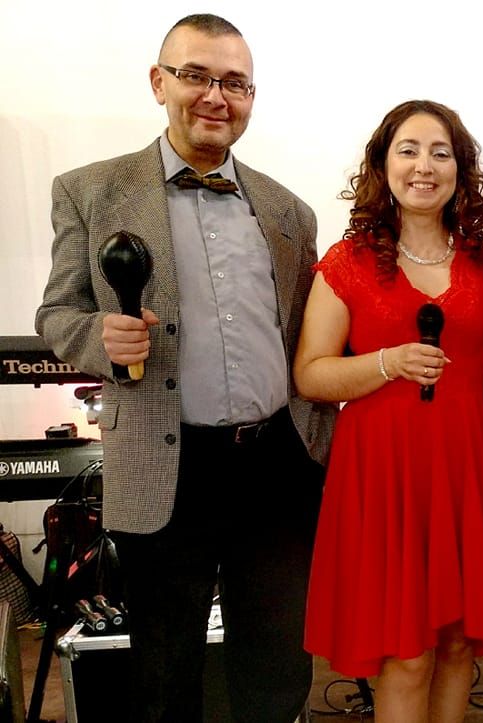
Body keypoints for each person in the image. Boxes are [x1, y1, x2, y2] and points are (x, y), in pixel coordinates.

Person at [35, 14, 336, 723]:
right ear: (159, 82)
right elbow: (57, 314)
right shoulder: (90, 190)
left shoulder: (289, 210)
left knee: (277, 662)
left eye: (235, 83)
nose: (215, 96)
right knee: (165, 668)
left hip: (277, 464)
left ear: (251, 96)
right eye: (196, 75)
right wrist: (99, 338)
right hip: (165, 465)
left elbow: (308, 333)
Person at [294, 99, 483, 722]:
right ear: (384, 165)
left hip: (467, 469)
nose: (424, 166)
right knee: (406, 656)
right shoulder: (347, 263)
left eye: (440, 153)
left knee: (458, 642)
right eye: (408, 150)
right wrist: (388, 363)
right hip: (383, 476)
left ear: (461, 169)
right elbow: (311, 374)